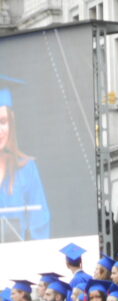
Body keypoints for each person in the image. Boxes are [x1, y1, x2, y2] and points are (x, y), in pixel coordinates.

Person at [0, 86, 51, 240]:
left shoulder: (27, 169)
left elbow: (40, 222)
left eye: (2, 121)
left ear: (11, 124)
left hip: (20, 257)